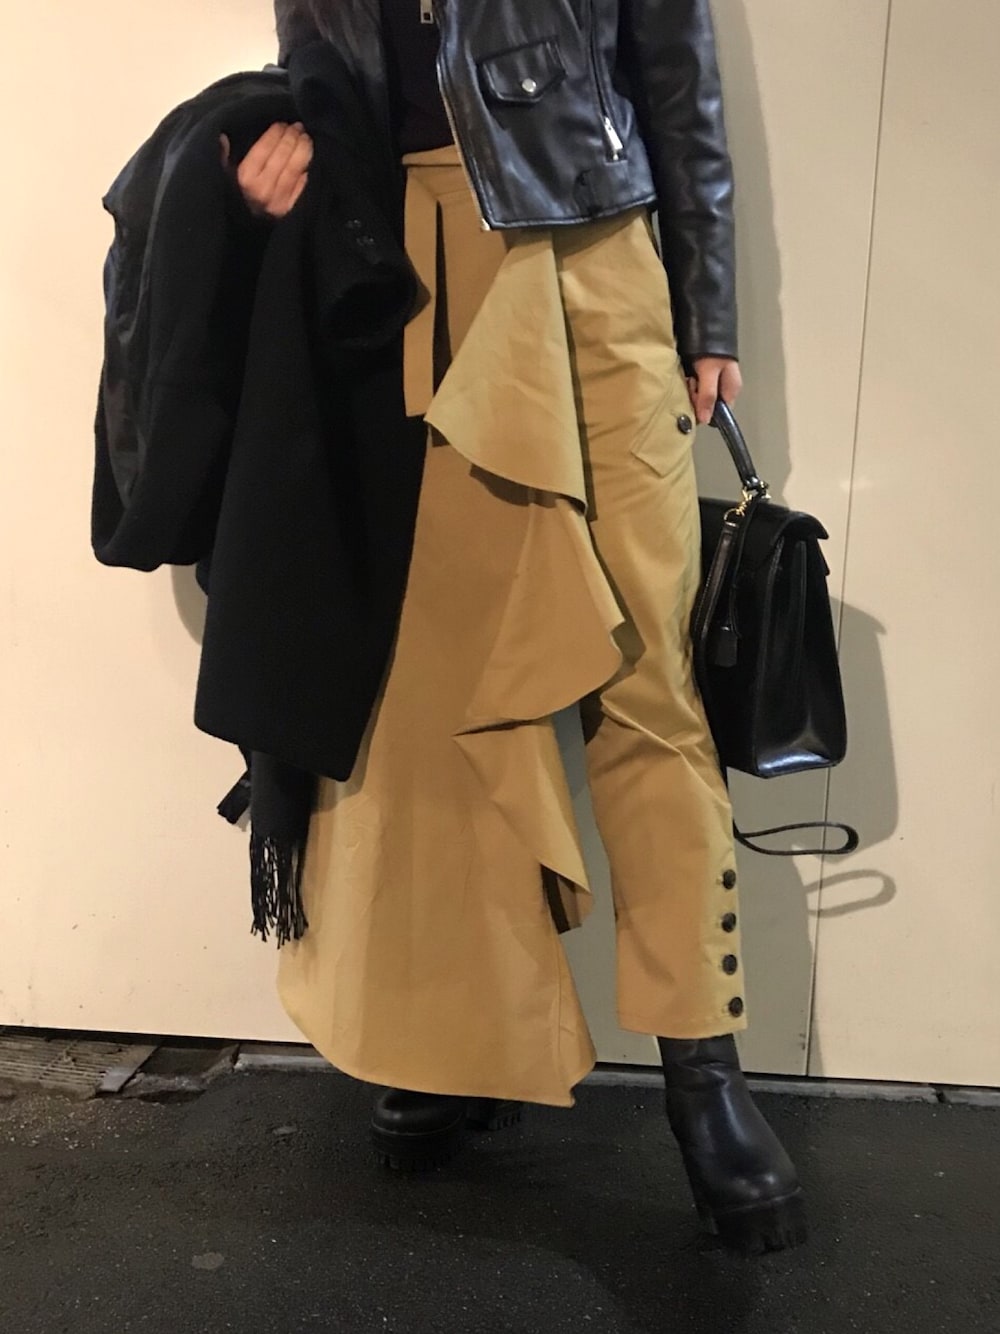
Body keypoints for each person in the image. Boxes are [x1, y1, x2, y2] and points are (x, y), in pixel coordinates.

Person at [227, 0, 807, 1255]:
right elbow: (320, 63)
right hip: (408, 268)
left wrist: (707, 308)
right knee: (439, 692)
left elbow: (677, 79)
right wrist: (283, 140)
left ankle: (703, 1069)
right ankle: (454, 1038)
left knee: (645, 678)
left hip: (591, 254)